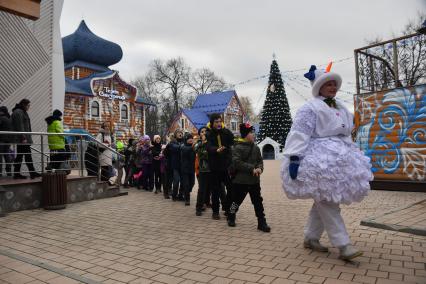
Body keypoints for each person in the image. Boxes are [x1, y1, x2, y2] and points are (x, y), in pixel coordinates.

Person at [281, 64, 373, 260]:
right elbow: (300, 133)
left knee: (325, 200)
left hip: (339, 159)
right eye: (328, 83)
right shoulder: (310, 107)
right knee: (327, 201)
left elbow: (347, 131)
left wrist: (352, 156)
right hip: (318, 161)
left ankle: (310, 238)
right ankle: (343, 244)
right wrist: (295, 158)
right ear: (319, 86)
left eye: (334, 84)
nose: (332, 87)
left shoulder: (341, 106)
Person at [227, 123, 271, 232]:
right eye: (251, 133)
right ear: (246, 134)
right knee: (236, 201)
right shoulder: (237, 147)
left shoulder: (255, 148)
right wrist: (252, 168)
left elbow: (260, 161)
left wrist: (260, 168)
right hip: (240, 181)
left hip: (254, 181)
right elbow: (237, 163)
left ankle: (261, 222)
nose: (253, 135)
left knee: (258, 202)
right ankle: (231, 215)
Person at [206, 113, 234, 219]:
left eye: (219, 121)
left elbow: (232, 141)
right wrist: (216, 150)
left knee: (231, 188)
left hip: (226, 166)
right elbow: (208, 146)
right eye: (216, 122)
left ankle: (228, 209)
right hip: (215, 166)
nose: (218, 123)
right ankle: (215, 212)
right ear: (212, 123)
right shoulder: (209, 134)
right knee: (216, 190)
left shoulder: (226, 132)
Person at [11, 99, 41, 179]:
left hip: (24, 138)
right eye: (28, 105)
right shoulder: (18, 112)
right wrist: (23, 137)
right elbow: (19, 126)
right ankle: (31, 172)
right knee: (27, 156)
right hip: (22, 139)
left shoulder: (22, 112)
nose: (29, 107)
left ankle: (18, 173)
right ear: (23, 104)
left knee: (21, 156)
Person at [194, 127, 210, 216]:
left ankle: (208, 203)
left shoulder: (212, 142)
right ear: (200, 134)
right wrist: (203, 144)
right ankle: (199, 207)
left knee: (213, 189)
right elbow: (199, 152)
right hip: (203, 169)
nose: (204, 133)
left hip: (212, 169)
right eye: (202, 132)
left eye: (206, 131)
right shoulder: (199, 143)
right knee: (202, 189)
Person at [180, 133, 195, 206]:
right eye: (189, 138)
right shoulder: (183, 146)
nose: (190, 139)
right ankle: (187, 199)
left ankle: (185, 192)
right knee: (186, 184)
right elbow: (185, 150)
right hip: (185, 169)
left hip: (192, 169)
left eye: (191, 138)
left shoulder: (194, 147)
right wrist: (192, 147)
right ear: (186, 139)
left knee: (192, 183)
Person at [170, 129, 184, 201]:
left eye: (181, 133)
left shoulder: (184, 141)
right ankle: (174, 195)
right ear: (175, 134)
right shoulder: (173, 142)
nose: (180, 134)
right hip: (175, 165)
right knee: (176, 181)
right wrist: (182, 146)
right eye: (178, 133)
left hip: (183, 165)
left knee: (183, 181)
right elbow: (174, 148)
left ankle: (181, 195)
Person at [0, 106, 13, 177]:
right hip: (8, 140)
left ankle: (0, 173)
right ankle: (9, 172)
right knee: (7, 155)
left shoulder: (1, 118)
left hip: (1, 140)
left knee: (0, 156)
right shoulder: (9, 118)